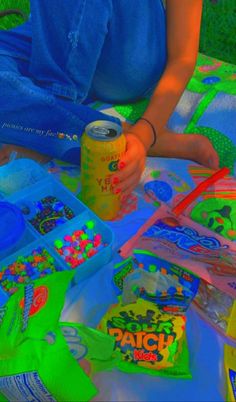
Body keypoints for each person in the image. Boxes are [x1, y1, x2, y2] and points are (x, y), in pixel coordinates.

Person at [0, 0, 219, 199]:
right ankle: (100, 135)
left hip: (127, 56)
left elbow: (183, 59)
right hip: (62, 38)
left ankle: (48, 130)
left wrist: (145, 133)